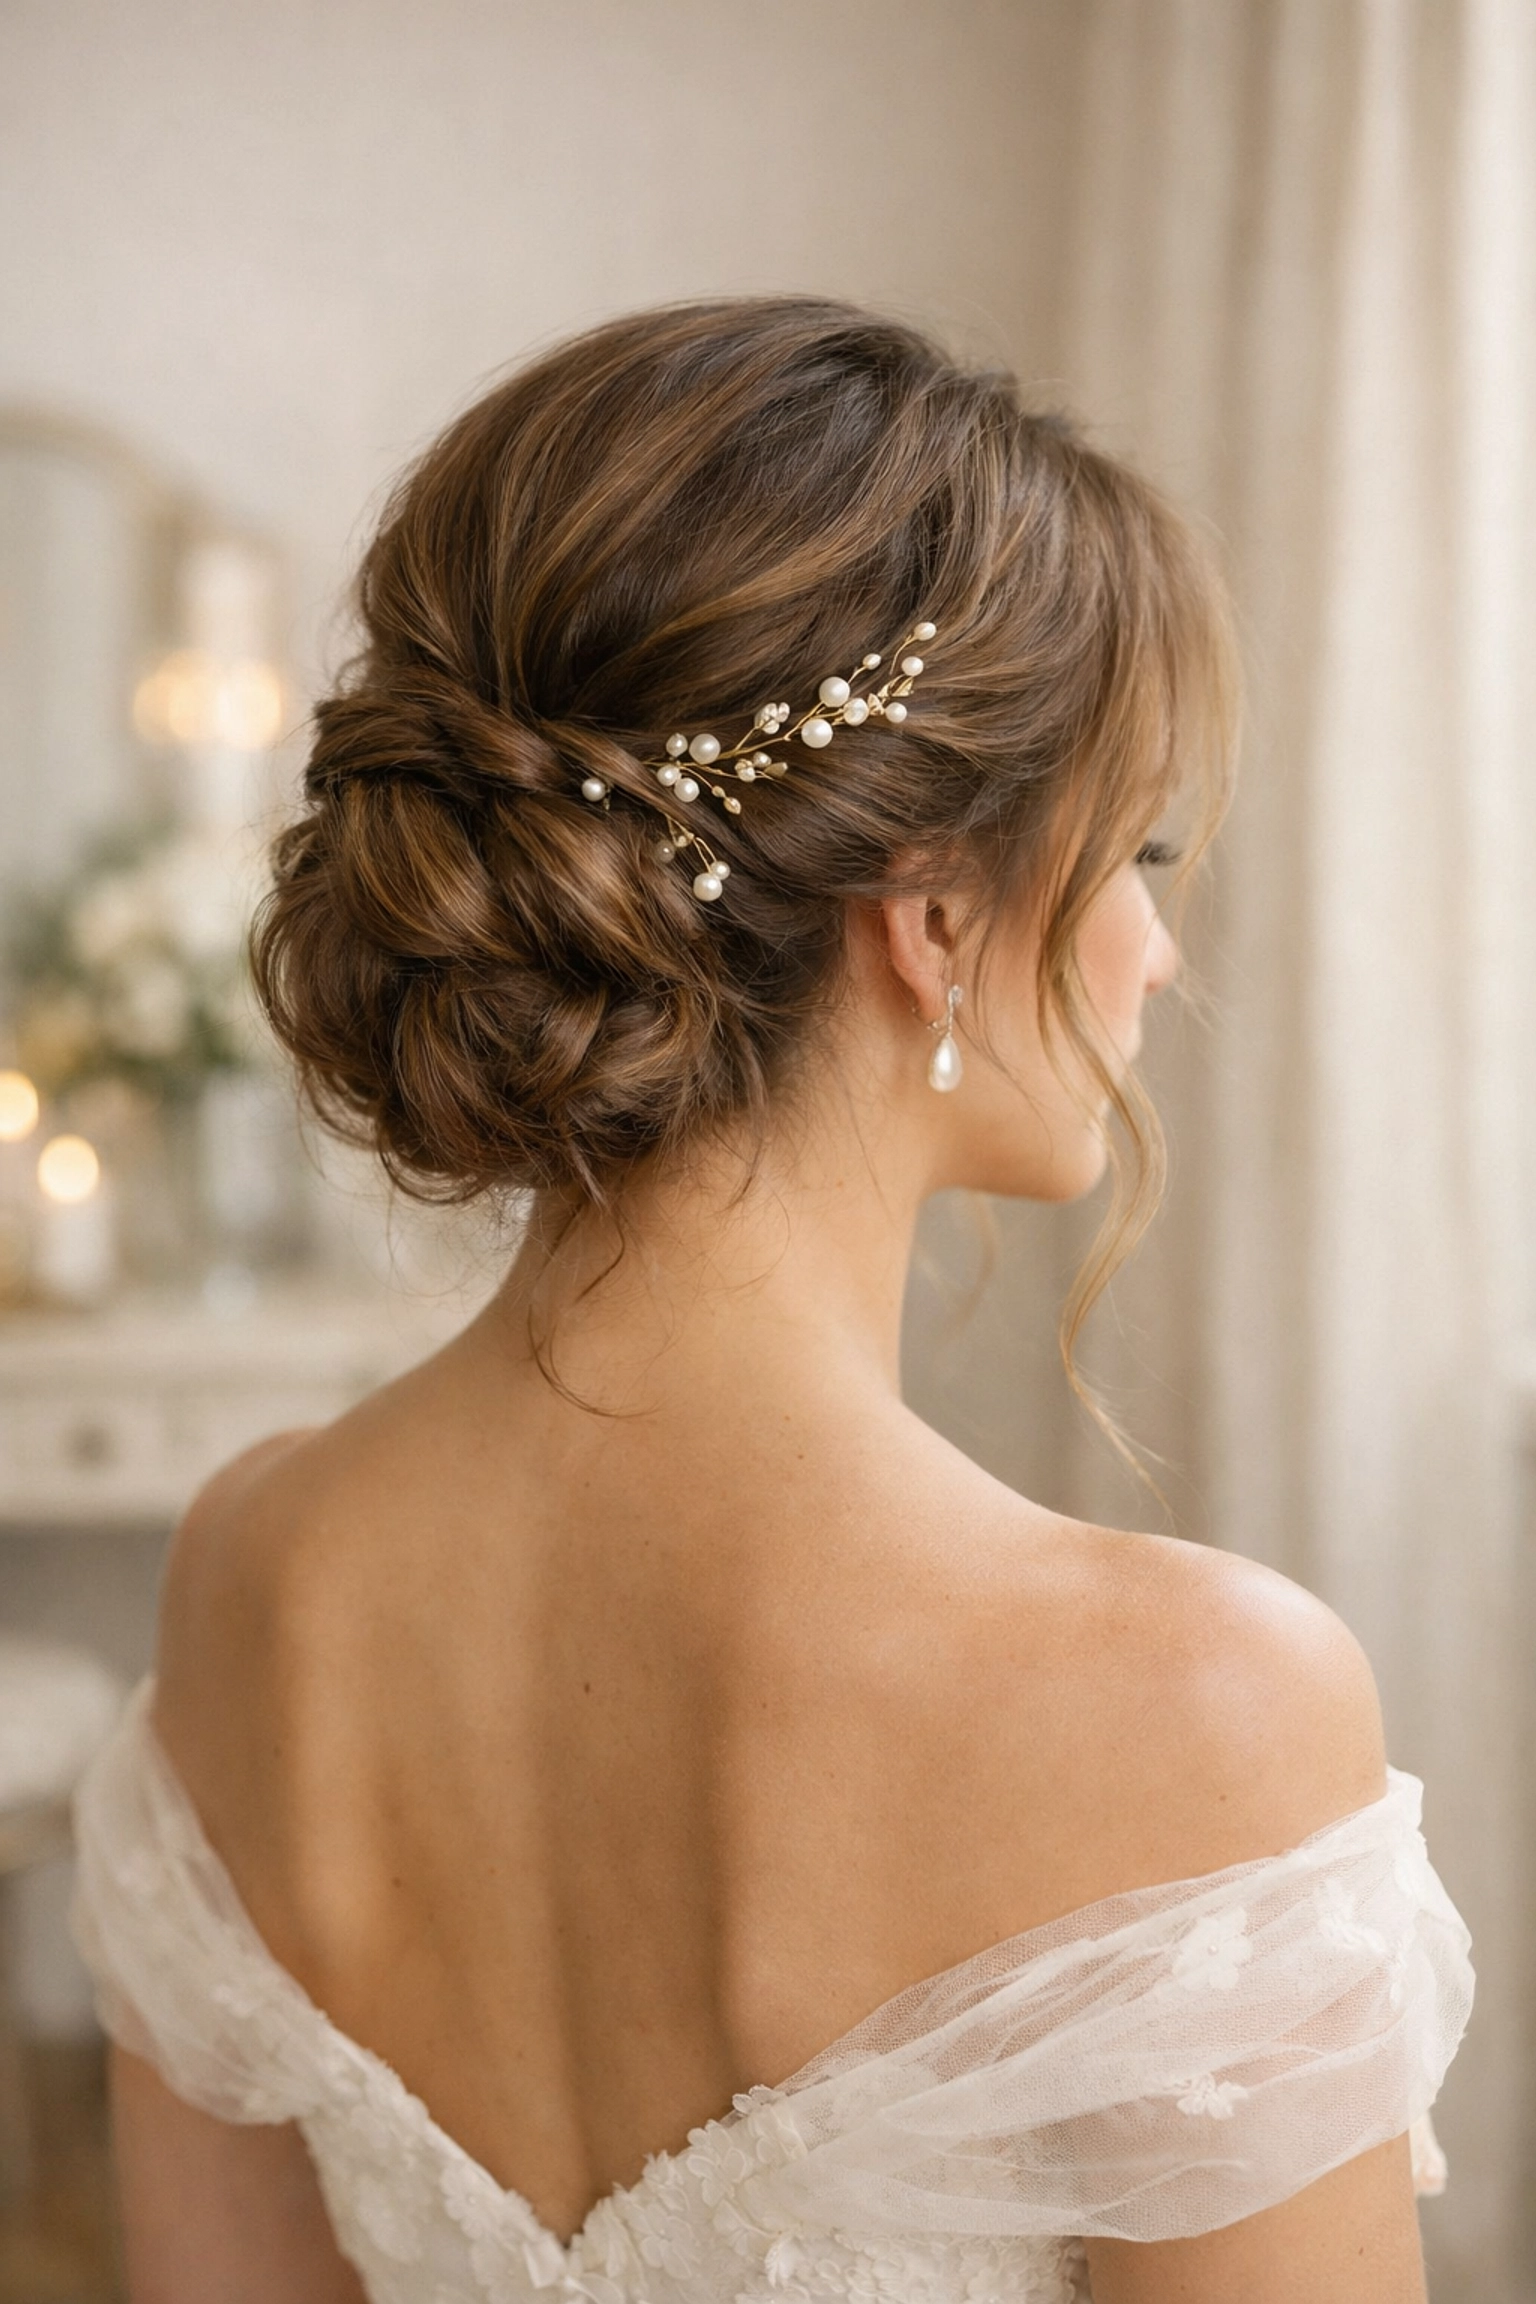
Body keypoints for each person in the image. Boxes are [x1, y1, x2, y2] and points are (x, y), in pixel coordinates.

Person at [70, 299, 1471, 2304]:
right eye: (1140, 848)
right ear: (932, 913)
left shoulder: (251, 1574)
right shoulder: (1198, 1706)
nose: (1157, 951)